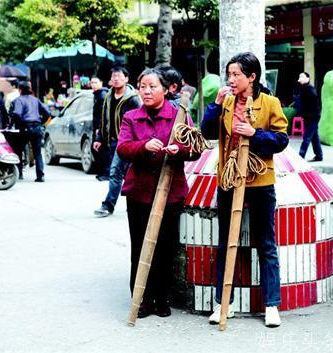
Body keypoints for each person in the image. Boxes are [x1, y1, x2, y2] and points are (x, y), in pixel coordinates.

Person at [201, 52, 288, 327]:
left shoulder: (270, 102)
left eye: (236, 74)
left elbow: (281, 140)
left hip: (260, 181)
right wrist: (214, 106)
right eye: (229, 74)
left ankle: (271, 304)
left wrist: (254, 134)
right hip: (229, 179)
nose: (231, 79)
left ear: (252, 77)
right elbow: (207, 133)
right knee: (227, 242)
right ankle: (223, 303)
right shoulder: (225, 101)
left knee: (266, 243)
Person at [117, 68, 200, 318]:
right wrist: (143, 146)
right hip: (140, 193)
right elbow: (122, 148)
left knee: (165, 247)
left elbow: (195, 148)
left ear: (166, 89)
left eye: (152, 86)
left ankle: (162, 298)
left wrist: (179, 150)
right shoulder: (131, 117)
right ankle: (141, 299)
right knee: (139, 246)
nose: (147, 91)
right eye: (143, 86)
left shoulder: (179, 115)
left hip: (171, 192)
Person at [92, 67, 141, 217]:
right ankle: (116, 205)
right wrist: (100, 138)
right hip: (114, 141)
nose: (116, 79)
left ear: (126, 79)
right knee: (117, 173)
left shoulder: (133, 98)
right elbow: (104, 119)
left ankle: (110, 205)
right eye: (114, 77)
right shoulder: (108, 96)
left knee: (120, 173)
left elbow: (139, 120)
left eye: (119, 76)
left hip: (129, 142)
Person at [9, 81, 50, 182]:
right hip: (37, 128)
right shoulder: (36, 100)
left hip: (24, 128)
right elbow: (47, 112)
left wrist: (18, 124)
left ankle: (19, 174)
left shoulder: (18, 100)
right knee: (37, 153)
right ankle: (40, 176)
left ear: (20, 90)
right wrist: (41, 122)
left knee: (18, 151)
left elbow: (17, 114)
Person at [295, 72, 323, 162]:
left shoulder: (310, 89)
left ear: (308, 78)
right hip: (308, 117)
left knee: (306, 137)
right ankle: (319, 156)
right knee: (314, 138)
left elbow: (315, 105)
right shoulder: (303, 89)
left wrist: (312, 116)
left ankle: (300, 156)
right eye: (299, 76)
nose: (300, 78)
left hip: (313, 118)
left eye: (302, 76)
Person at [90, 76, 109, 181]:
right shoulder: (96, 95)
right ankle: (102, 172)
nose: (93, 84)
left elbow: (103, 114)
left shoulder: (103, 95)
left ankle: (106, 173)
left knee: (102, 150)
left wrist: (99, 128)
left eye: (95, 82)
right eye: (92, 82)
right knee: (97, 150)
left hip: (101, 127)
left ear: (101, 83)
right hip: (97, 126)